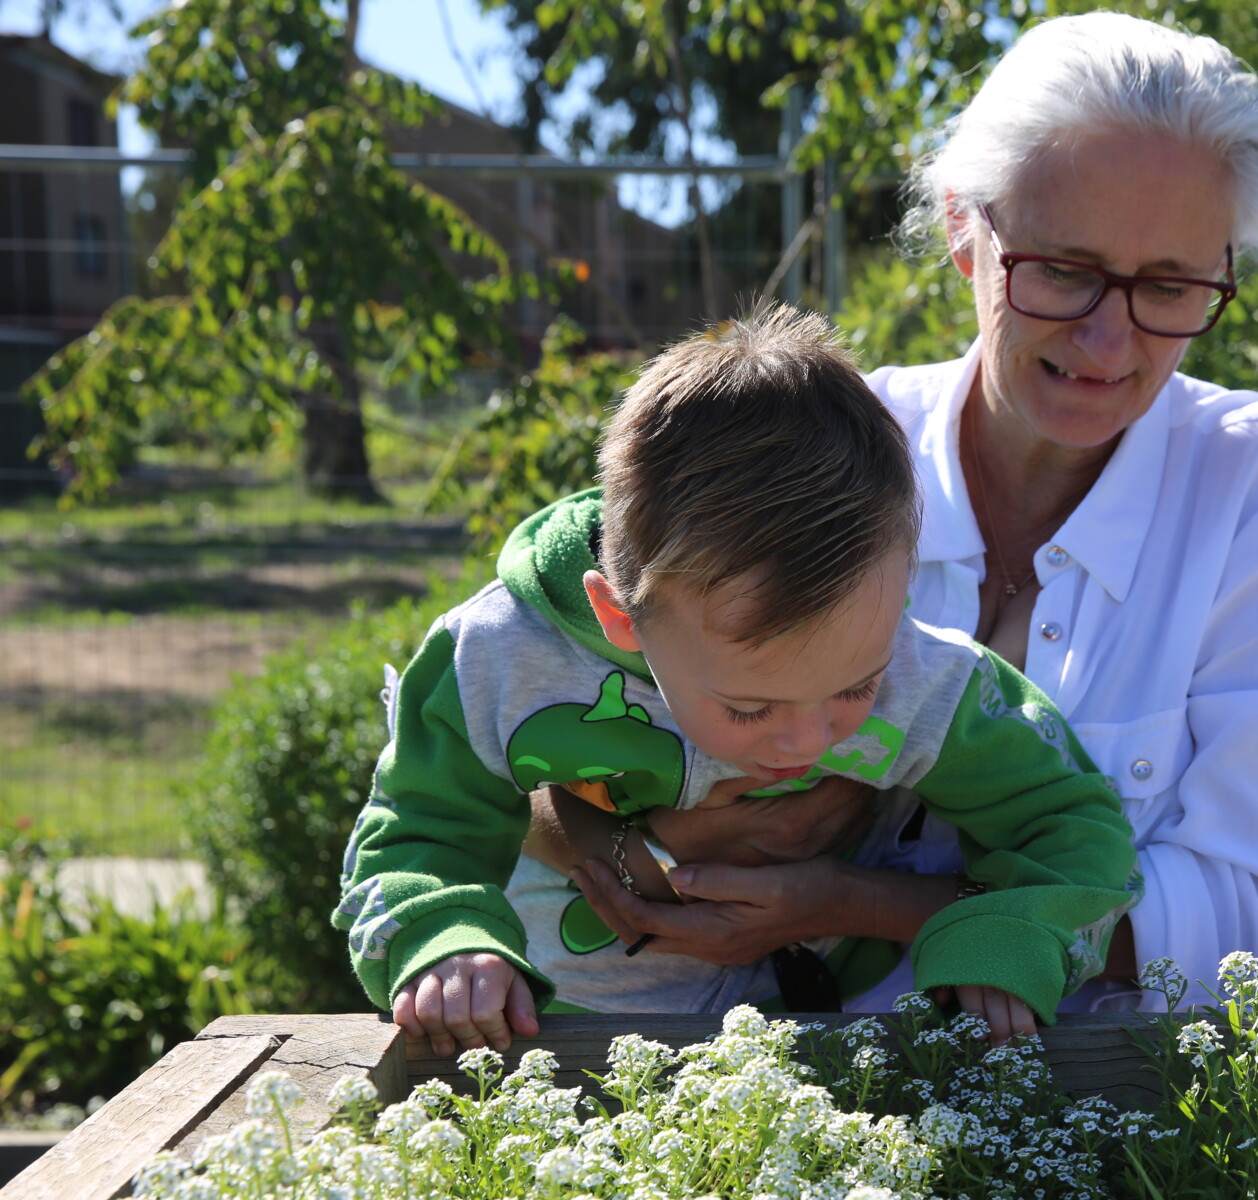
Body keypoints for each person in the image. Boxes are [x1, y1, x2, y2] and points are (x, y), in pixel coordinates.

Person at [532, 11, 1258, 1018]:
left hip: (1099, 1126)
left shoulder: (1257, 488)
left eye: (1170, 283)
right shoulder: (817, 446)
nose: (1110, 338)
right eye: (1064, 268)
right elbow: (522, 724)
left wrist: (847, 898)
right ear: (967, 230)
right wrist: (624, 846)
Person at [333, 305, 1141, 1057]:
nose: (807, 740)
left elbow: (1073, 825)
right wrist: (443, 939)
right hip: (556, 1043)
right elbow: (415, 828)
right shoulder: (497, 656)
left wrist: (1003, 935)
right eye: (750, 707)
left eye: (857, 688)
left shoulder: (928, 678)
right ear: (620, 619)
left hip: (823, 1048)